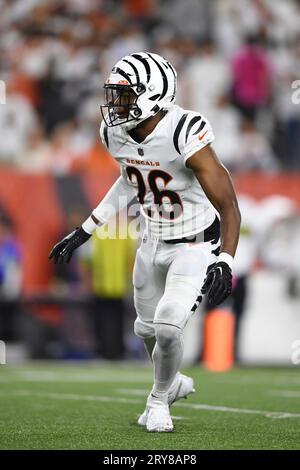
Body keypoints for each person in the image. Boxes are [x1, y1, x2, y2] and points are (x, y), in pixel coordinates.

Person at [49, 52, 241, 432]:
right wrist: (87, 228)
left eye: (124, 95)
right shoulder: (116, 133)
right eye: (114, 94)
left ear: (152, 96)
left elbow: (229, 205)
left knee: (169, 327)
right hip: (150, 241)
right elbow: (129, 178)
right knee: (146, 331)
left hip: (194, 244)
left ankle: (157, 401)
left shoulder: (184, 131)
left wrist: (226, 260)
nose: (114, 104)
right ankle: (173, 383)